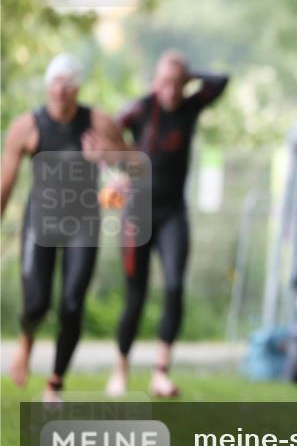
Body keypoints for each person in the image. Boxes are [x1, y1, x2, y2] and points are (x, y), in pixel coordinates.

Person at [1, 54, 129, 402]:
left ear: (78, 88)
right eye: (56, 82)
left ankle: (54, 383)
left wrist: (108, 161)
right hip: (40, 222)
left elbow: (133, 166)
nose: (62, 90)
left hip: (83, 224)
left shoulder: (98, 124)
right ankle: (27, 338)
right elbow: (5, 183)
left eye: (69, 83)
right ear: (48, 85)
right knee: (36, 304)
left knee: (72, 302)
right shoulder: (27, 126)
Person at [107, 51, 229, 398]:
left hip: (173, 213)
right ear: (155, 81)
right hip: (137, 213)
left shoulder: (190, 108)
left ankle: (160, 373)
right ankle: (121, 369)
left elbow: (221, 81)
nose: (171, 91)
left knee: (174, 286)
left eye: (178, 84)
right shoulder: (141, 109)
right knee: (136, 295)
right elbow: (107, 135)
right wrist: (117, 174)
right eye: (165, 83)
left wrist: (190, 75)